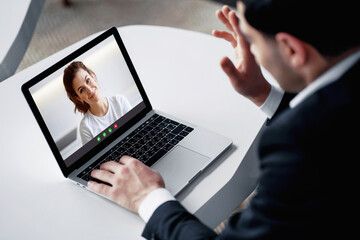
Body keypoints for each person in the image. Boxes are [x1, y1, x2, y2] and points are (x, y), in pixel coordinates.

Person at [87, 0, 359, 239]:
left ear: (291, 50)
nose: (252, 51)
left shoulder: (298, 148)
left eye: (252, 41)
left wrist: (147, 198)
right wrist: (263, 93)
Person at [63, 61, 132, 145]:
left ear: (92, 77)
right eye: (81, 90)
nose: (89, 90)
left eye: (88, 80)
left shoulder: (120, 101)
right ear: (78, 98)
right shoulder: (86, 127)